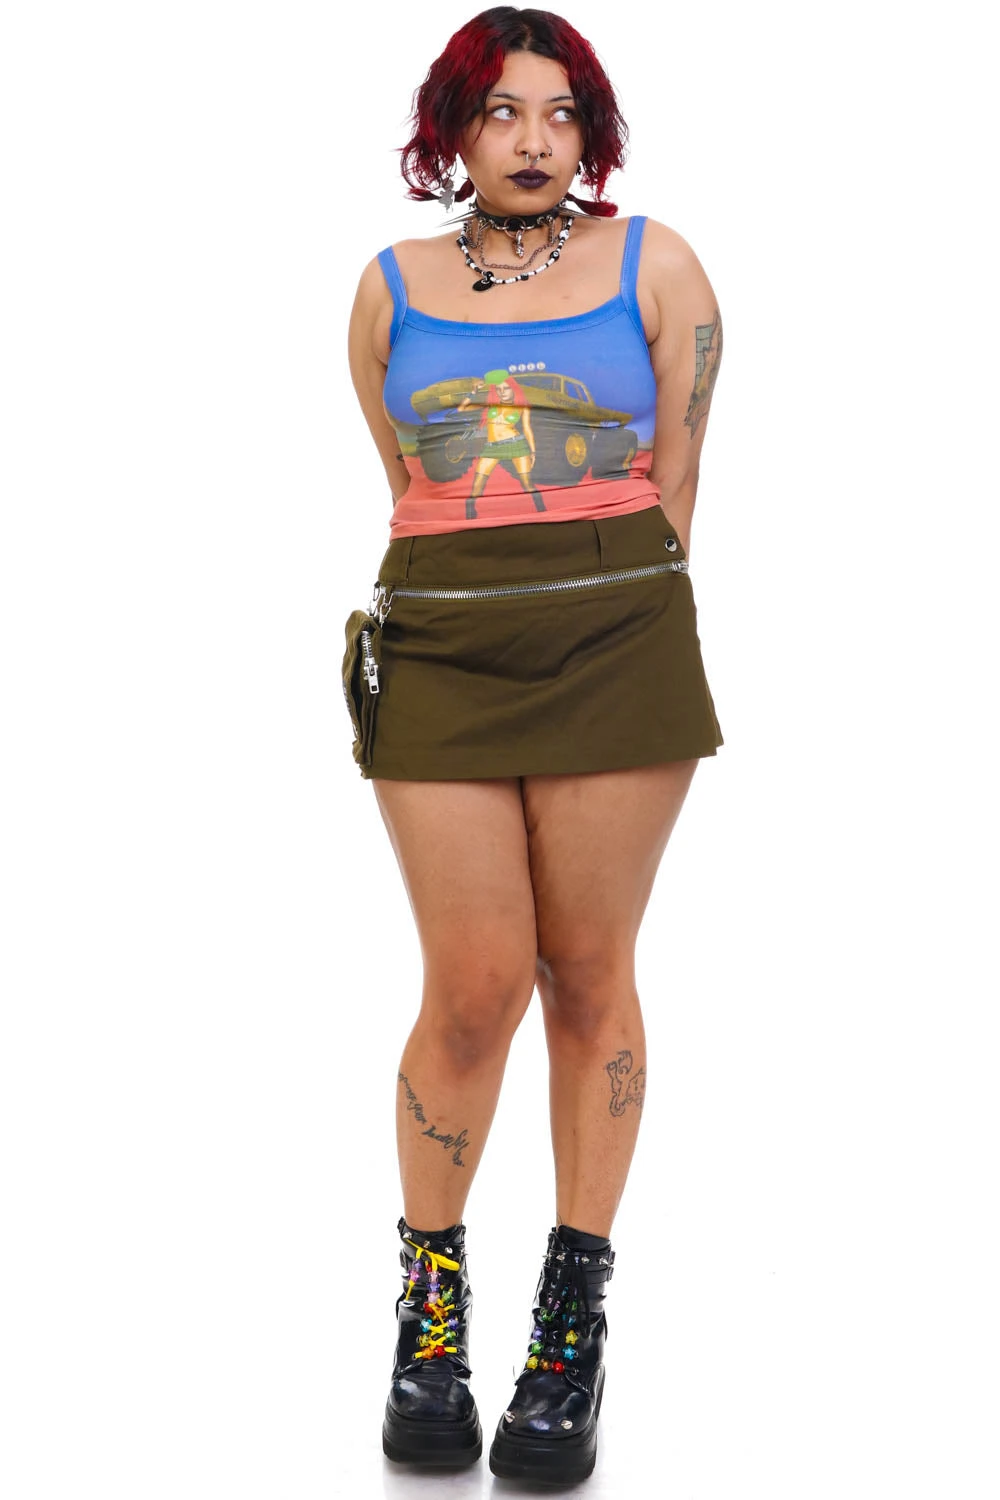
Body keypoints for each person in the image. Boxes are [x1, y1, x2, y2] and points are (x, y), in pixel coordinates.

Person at [343, 5, 724, 1483]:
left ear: (593, 133)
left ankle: (570, 1330)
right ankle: (430, 1317)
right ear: (452, 128)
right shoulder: (390, 287)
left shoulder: (657, 266)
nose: (533, 140)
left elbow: (680, 475)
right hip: (444, 640)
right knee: (472, 986)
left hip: (617, 639)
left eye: (562, 114)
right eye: (502, 111)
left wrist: (622, 606)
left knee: (586, 971)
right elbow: (406, 478)